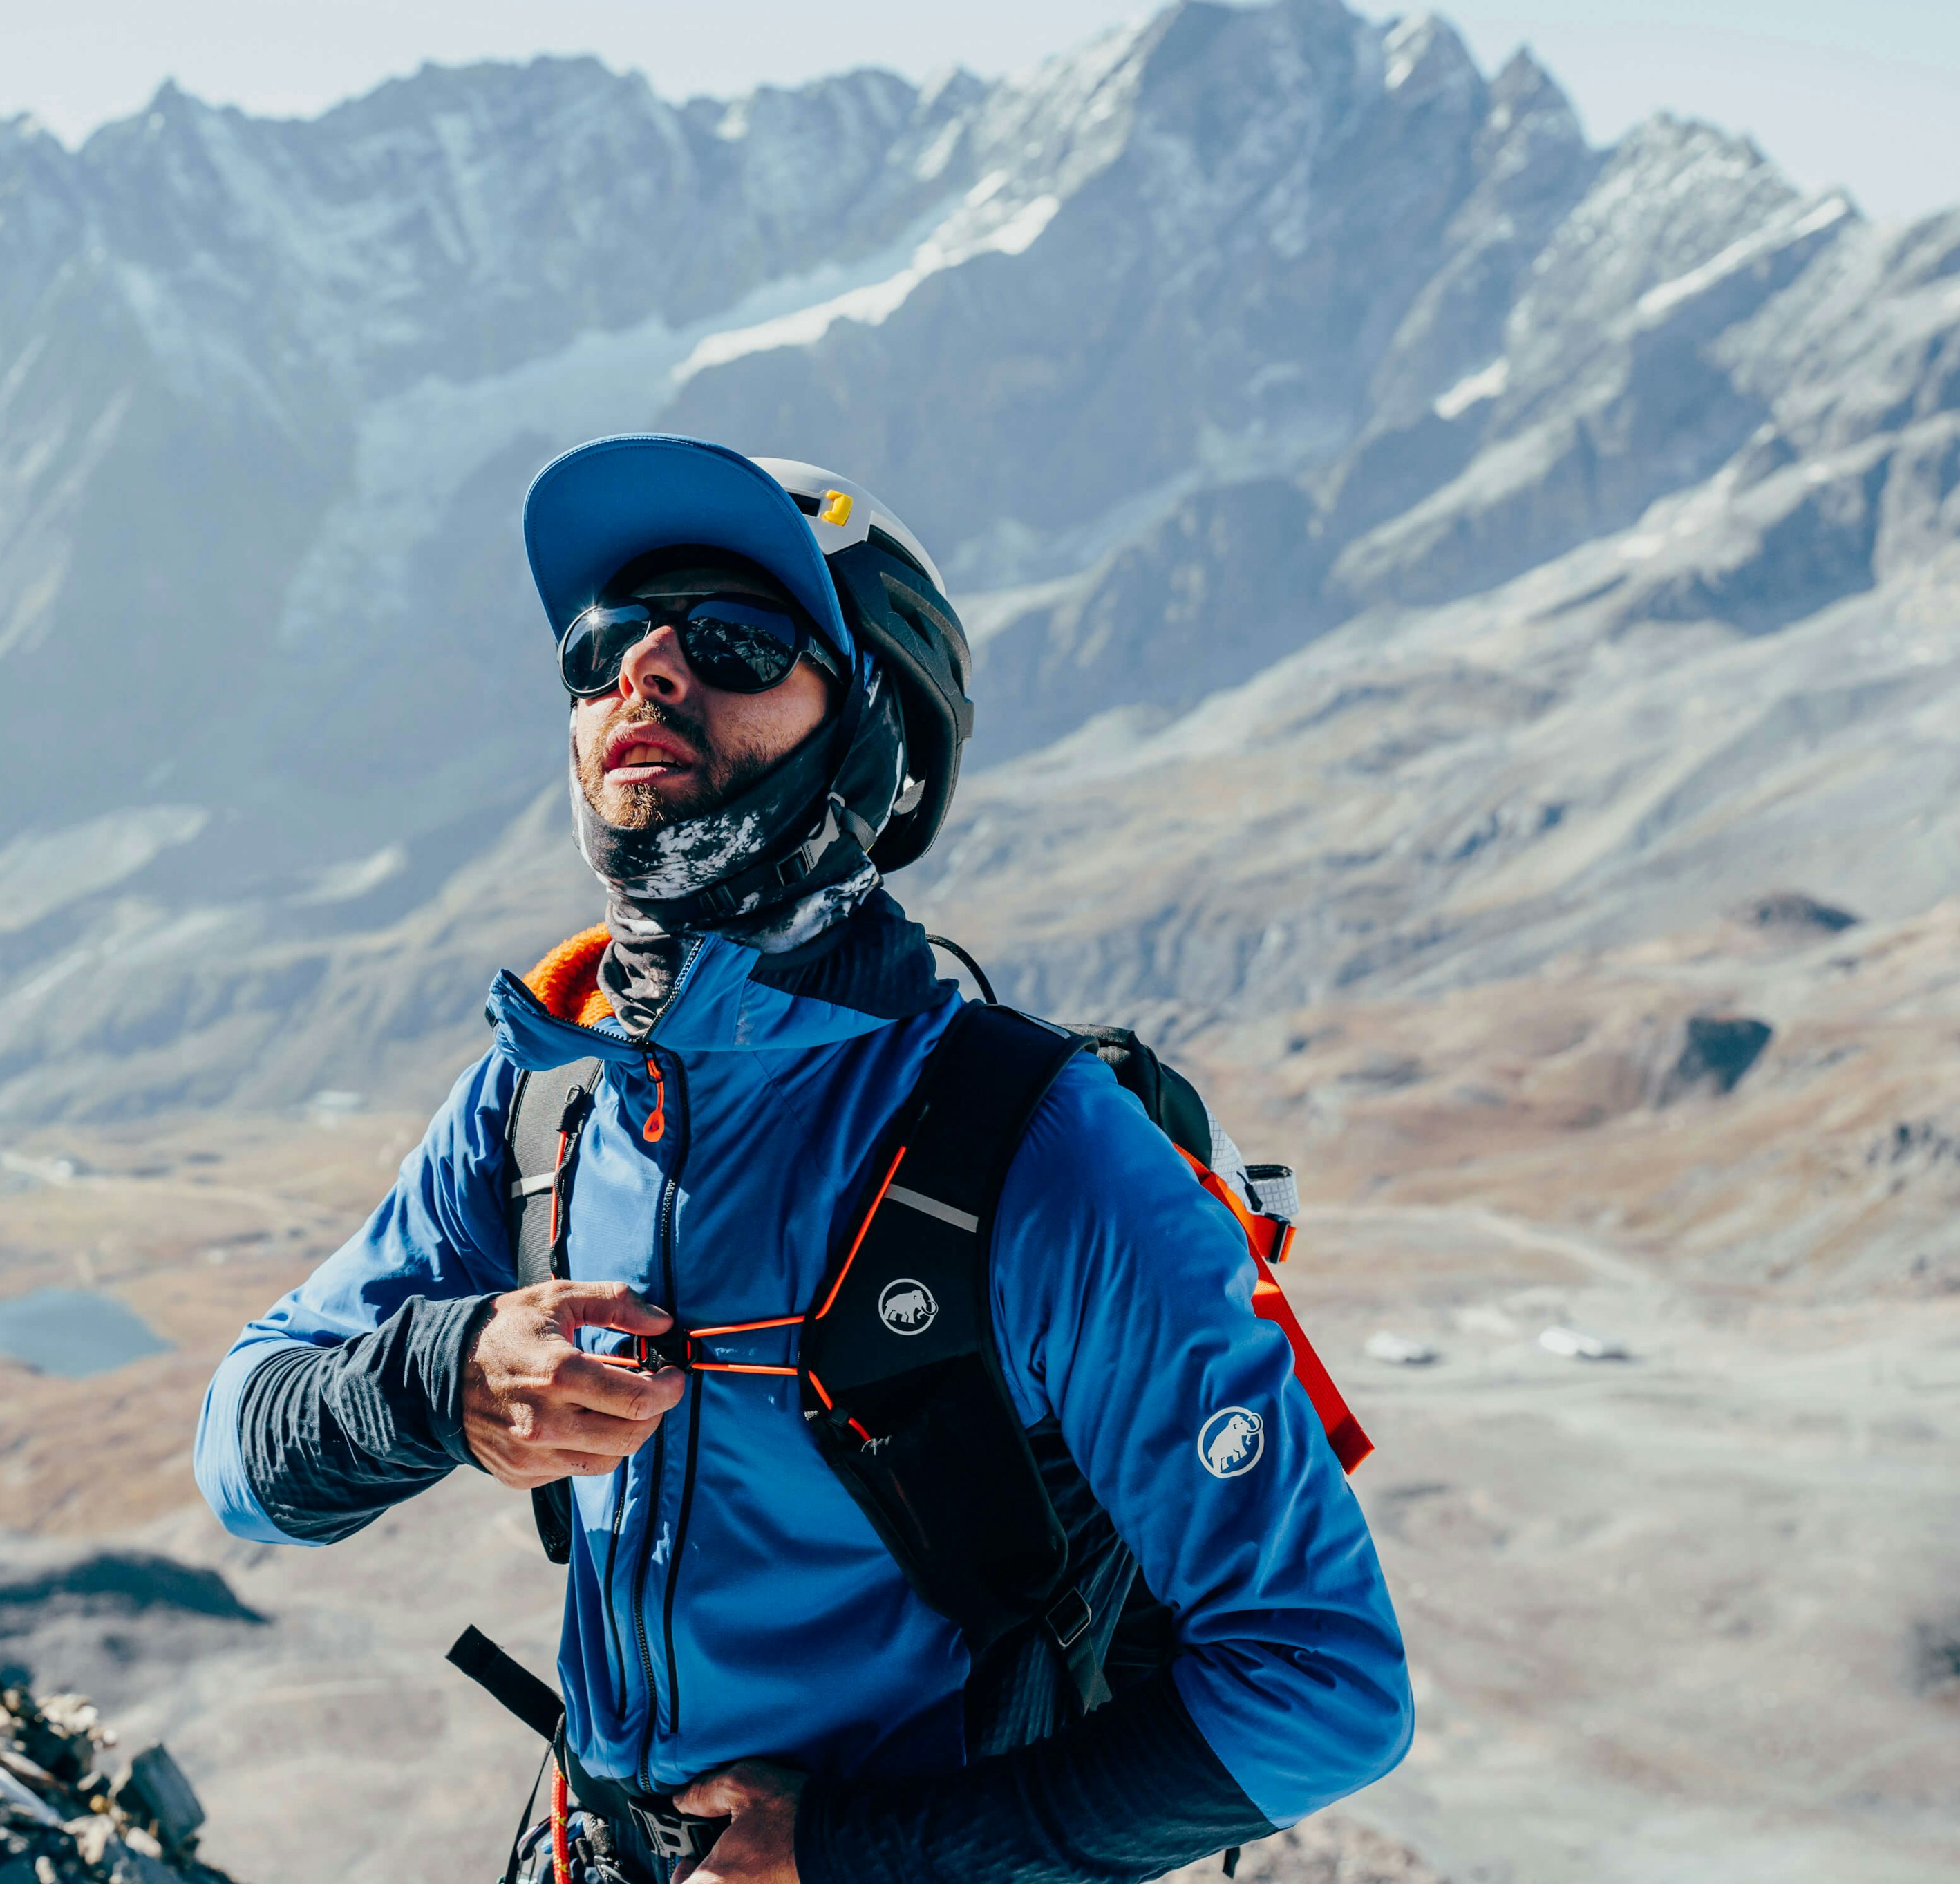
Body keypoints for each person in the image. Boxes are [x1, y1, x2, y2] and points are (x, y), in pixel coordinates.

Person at [194, 435, 1412, 1883]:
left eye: (734, 636)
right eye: (600, 647)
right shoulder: (540, 1107)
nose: (644, 673)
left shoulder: (1029, 1147)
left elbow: (1325, 1688)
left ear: (875, 743)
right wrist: (437, 1382)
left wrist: (846, 1854)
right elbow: (239, 1453)